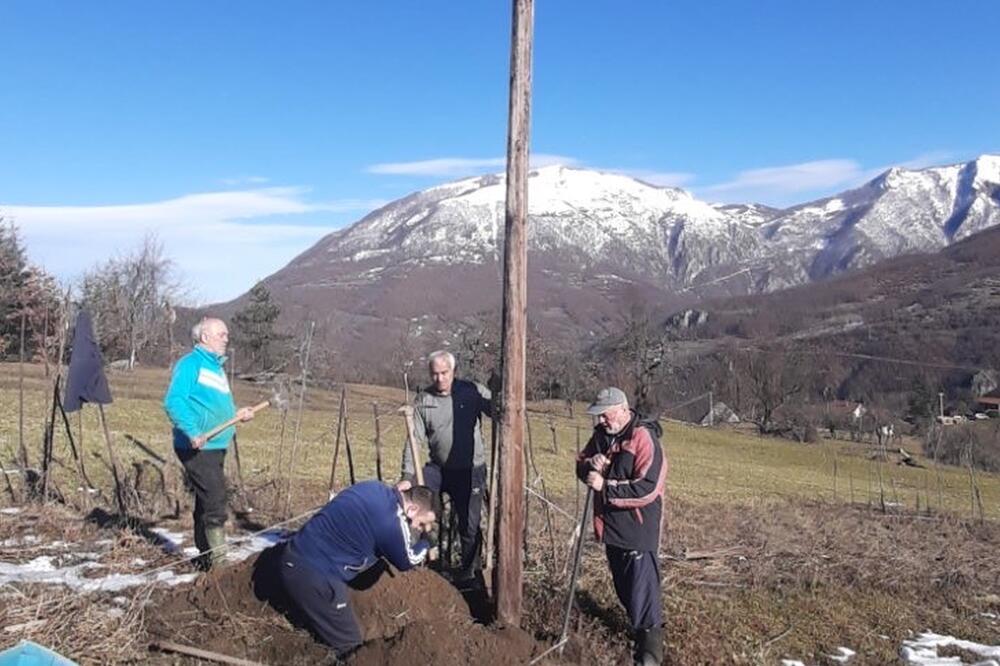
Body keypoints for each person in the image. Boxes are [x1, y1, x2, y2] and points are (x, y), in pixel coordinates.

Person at [278, 481, 436, 658]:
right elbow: (406, 561)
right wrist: (426, 543)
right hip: (315, 575)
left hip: (295, 553)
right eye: (421, 523)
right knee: (351, 647)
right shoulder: (391, 523)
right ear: (412, 509)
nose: (417, 528)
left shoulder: (374, 487)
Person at [576, 387, 667, 666]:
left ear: (623, 410)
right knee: (624, 587)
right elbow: (581, 464)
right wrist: (592, 464)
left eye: (605, 415)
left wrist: (606, 488)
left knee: (643, 591)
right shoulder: (602, 436)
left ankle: (650, 652)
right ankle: (637, 632)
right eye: (598, 416)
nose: (601, 421)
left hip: (637, 529)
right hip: (611, 528)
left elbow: (648, 488)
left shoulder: (643, 437)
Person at [163, 317, 254, 568]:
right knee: (215, 499)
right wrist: (192, 432)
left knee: (206, 500)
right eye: (221, 334)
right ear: (205, 338)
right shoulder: (191, 364)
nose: (227, 338)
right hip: (198, 446)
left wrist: (238, 413)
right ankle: (219, 563)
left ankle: (205, 557)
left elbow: (214, 405)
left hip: (216, 446)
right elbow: (174, 401)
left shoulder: (216, 368)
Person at [398, 350, 492, 582]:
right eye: (435, 374)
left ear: (454, 371)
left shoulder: (472, 391)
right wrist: (408, 476)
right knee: (418, 504)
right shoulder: (424, 400)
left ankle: (470, 572)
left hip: (471, 468)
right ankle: (426, 561)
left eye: (444, 373)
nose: (440, 379)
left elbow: (498, 411)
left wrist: (498, 392)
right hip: (439, 469)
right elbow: (414, 440)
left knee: (469, 525)